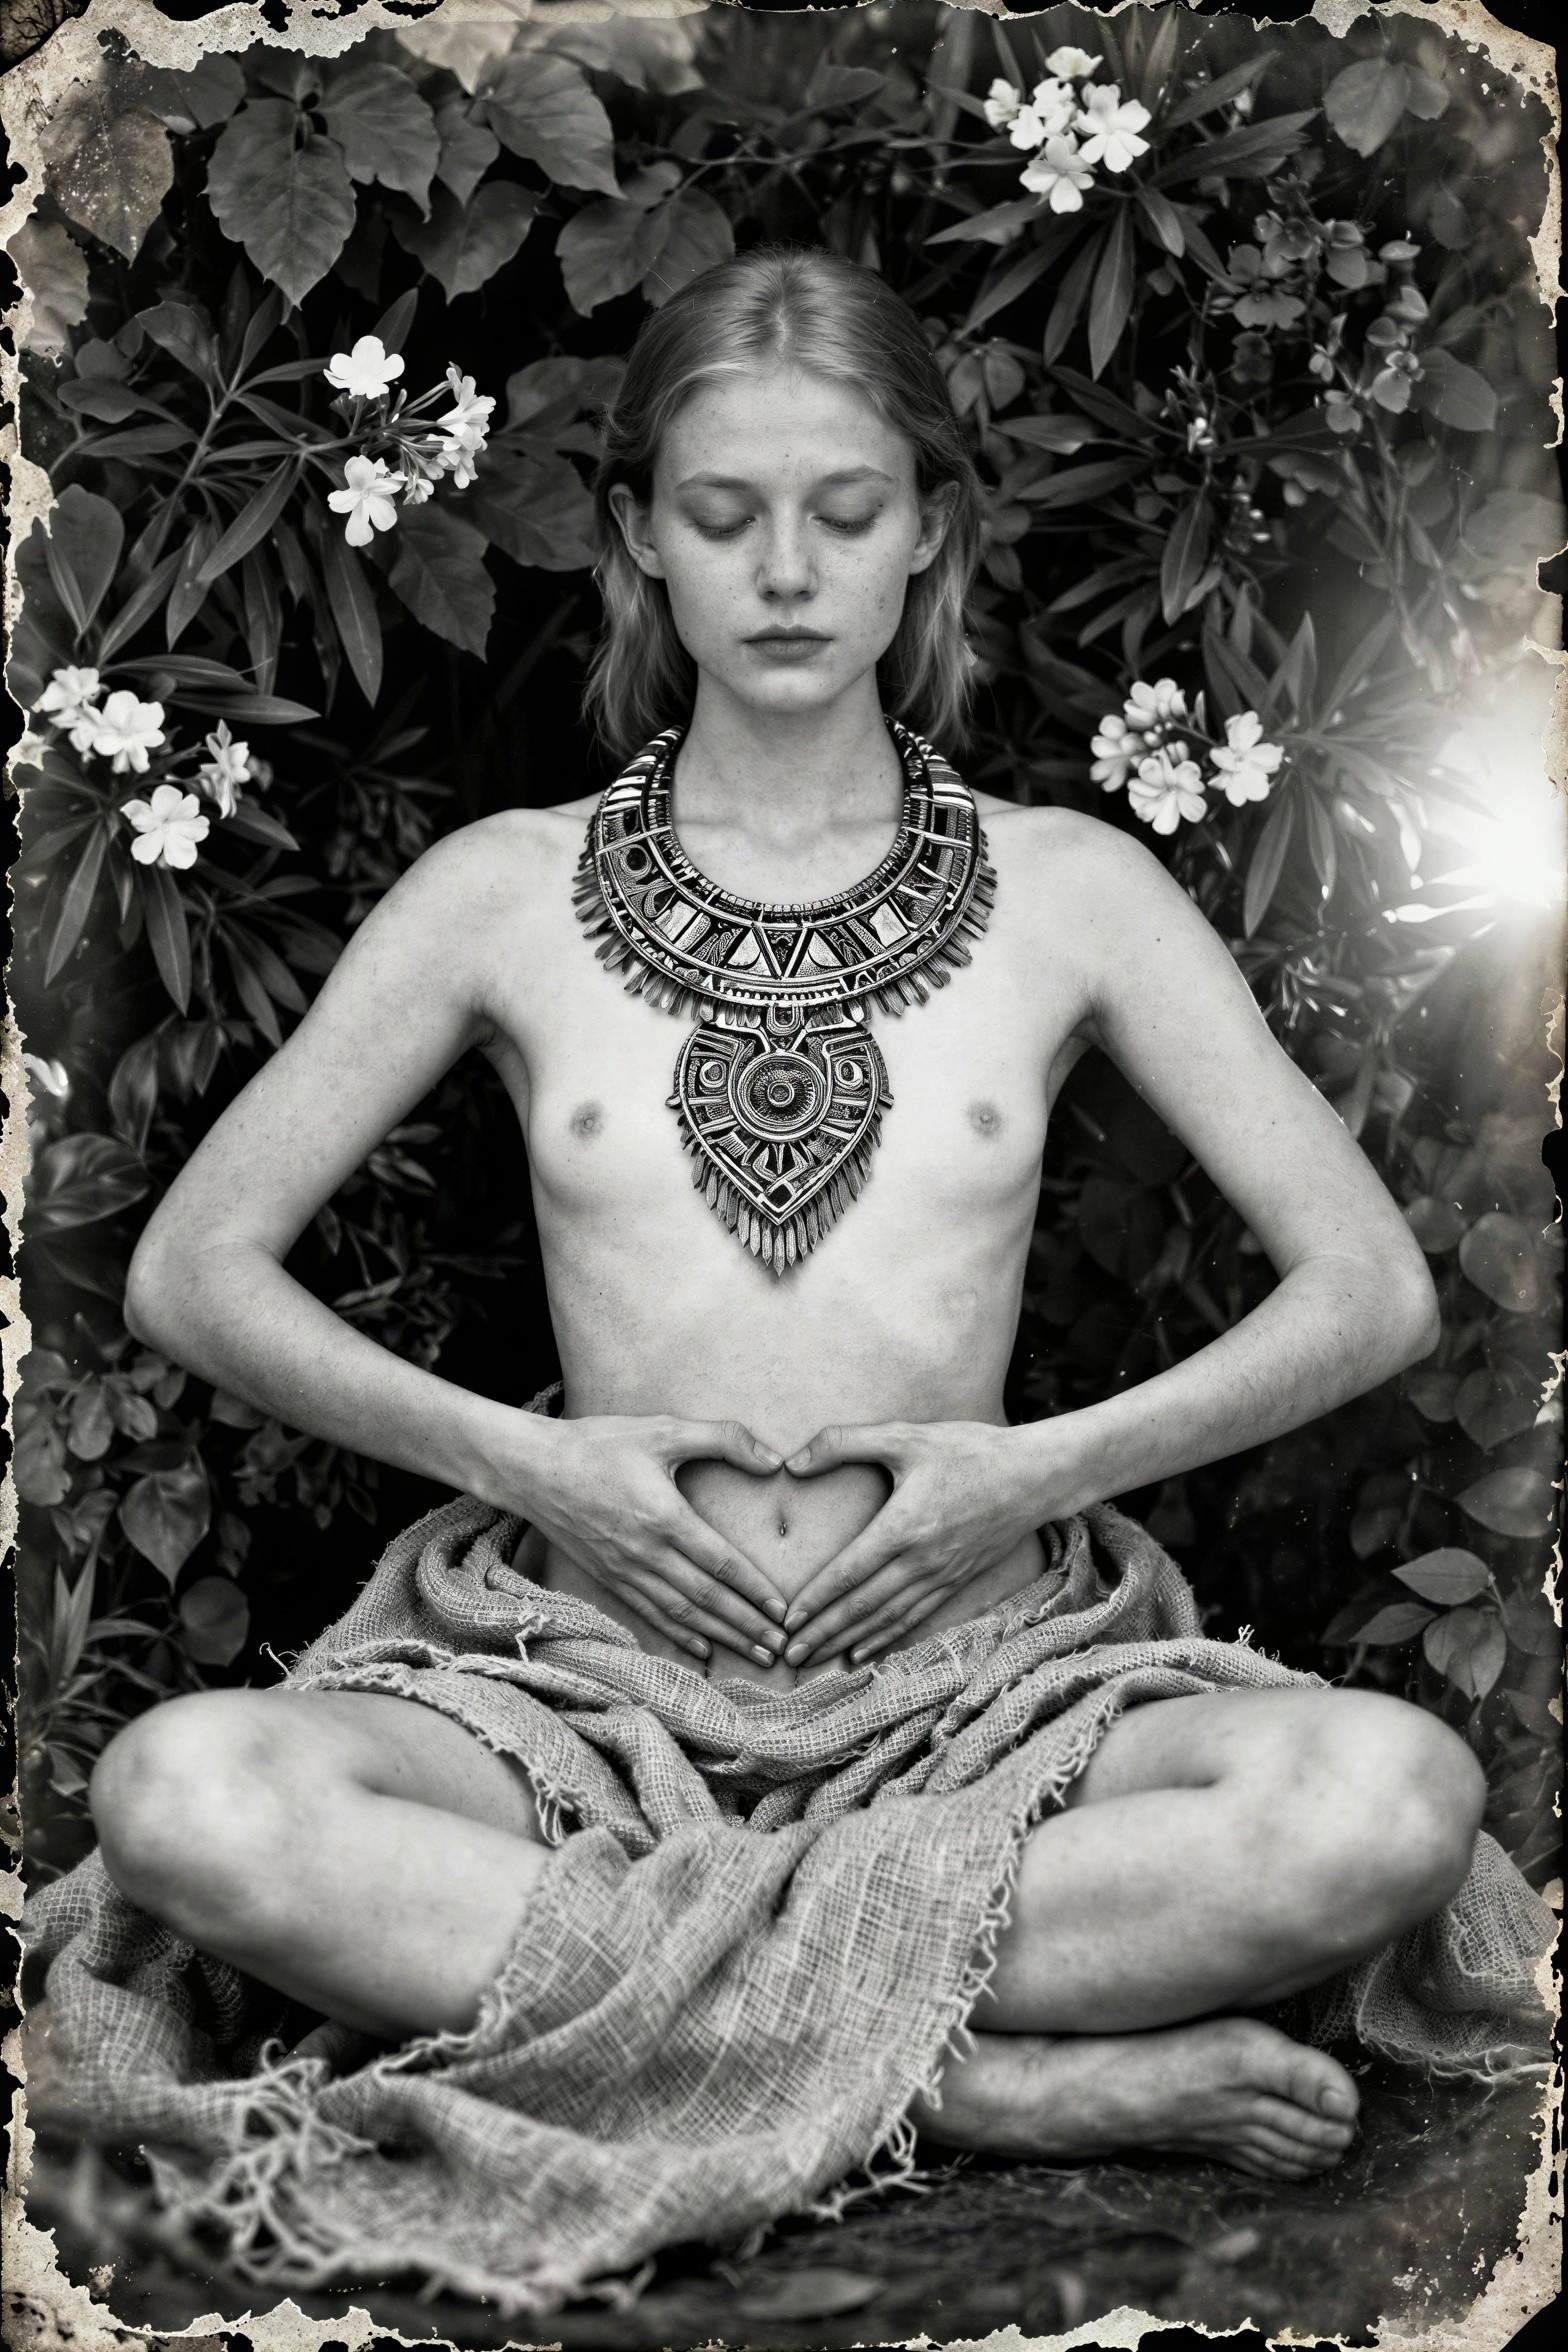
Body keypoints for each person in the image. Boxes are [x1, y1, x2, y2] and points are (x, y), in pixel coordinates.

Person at [78, 247, 1500, 2206]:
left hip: (982, 1693)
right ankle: (988, 2081)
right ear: (638, 538)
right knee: (185, 1799)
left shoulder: (1071, 892)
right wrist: (537, 1469)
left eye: (843, 514)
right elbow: (191, 1267)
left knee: (1384, 1801)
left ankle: (651, 1997)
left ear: (927, 529)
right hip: (572, 1691)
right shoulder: (501, 893)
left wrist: (1023, 1479)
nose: (785, 570)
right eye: (723, 516)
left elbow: (1366, 1289)